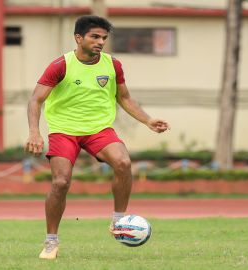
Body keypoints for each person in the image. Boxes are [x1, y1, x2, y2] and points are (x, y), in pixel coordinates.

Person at [24, 16, 169, 259]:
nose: (100, 42)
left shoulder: (113, 65)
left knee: (123, 163)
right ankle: (51, 241)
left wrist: (147, 120)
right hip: (64, 130)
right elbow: (35, 99)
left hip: (98, 129)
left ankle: (118, 221)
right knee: (61, 183)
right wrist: (34, 132)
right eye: (95, 37)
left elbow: (124, 98)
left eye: (104, 38)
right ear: (78, 38)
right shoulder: (60, 65)